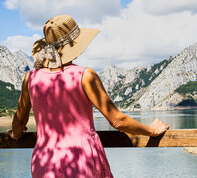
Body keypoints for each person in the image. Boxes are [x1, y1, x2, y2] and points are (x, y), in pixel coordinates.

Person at [7, 15, 169, 178]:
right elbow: (117, 121)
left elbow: (20, 121)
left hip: (44, 161)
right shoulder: (85, 75)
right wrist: (151, 131)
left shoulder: (31, 78)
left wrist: (15, 134)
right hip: (80, 160)